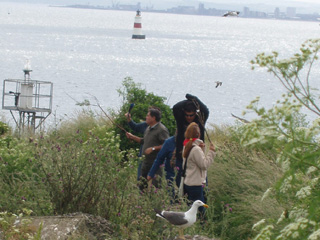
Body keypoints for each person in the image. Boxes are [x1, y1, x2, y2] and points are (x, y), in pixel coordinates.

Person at [126, 108, 169, 190]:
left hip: (156, 163)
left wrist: (153, 148)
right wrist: (133, 137)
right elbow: (144, 141)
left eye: (148, 115)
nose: (146, 117)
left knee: (156, 187)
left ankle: (154, 202)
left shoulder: (162, 130)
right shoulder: (148, 128)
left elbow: (166, 145)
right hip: (145, 162)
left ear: (153, 118)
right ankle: (142, 201)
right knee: (141, 185)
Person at [172, 94, 209, 187]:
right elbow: (176, 108)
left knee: (202, 182)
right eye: (187, 115)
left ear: (195, 113)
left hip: (197, 155)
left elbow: (205, 110)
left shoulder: (200, 121)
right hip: (182, 155)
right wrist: (187, 102)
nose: (189, 117)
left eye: (191, 115)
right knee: (180, 182)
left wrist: (194, 100)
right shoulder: (181, 120)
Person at [182, 122, 216, 215]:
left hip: (188, 182)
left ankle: (192, 227)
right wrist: (211, 152)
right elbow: (204, 165)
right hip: (195, 185)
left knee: (190, 210)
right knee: (201, 213)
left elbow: (195, 162)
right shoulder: (195, 149)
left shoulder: (187, 146)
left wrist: (202, 149)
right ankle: (203, 226)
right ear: (199, 134)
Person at [125, 111, 148, 180]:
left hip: (153, 158)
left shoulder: (160, 129)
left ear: (154, 117)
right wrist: (129, 119)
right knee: (140, 178)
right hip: (142, 155)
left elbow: (145, 141)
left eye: (148, 115)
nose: (146, 117)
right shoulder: (145, 125)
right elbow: (135, 127)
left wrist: (133, 137)